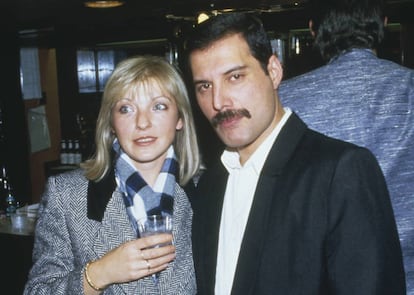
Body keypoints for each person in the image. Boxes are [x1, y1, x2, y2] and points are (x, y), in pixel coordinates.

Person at [185, 12, 406, 294]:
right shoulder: (211, 184)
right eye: (205, 86)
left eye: (235, 77)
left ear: (274, 71)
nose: (219, 102)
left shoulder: (341, 171)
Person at [24, 55, 200, 294]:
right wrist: (100, 272)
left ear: (180, 118)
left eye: (158, 106)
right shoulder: (65, 196)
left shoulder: (209, 191)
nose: (142, 122)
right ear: (110, 122)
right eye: (126, 109)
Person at [278, 0, 414, 293]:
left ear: (313, 30)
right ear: (384, 23)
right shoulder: (410, 88)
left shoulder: (284, 100)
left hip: (320, 279)